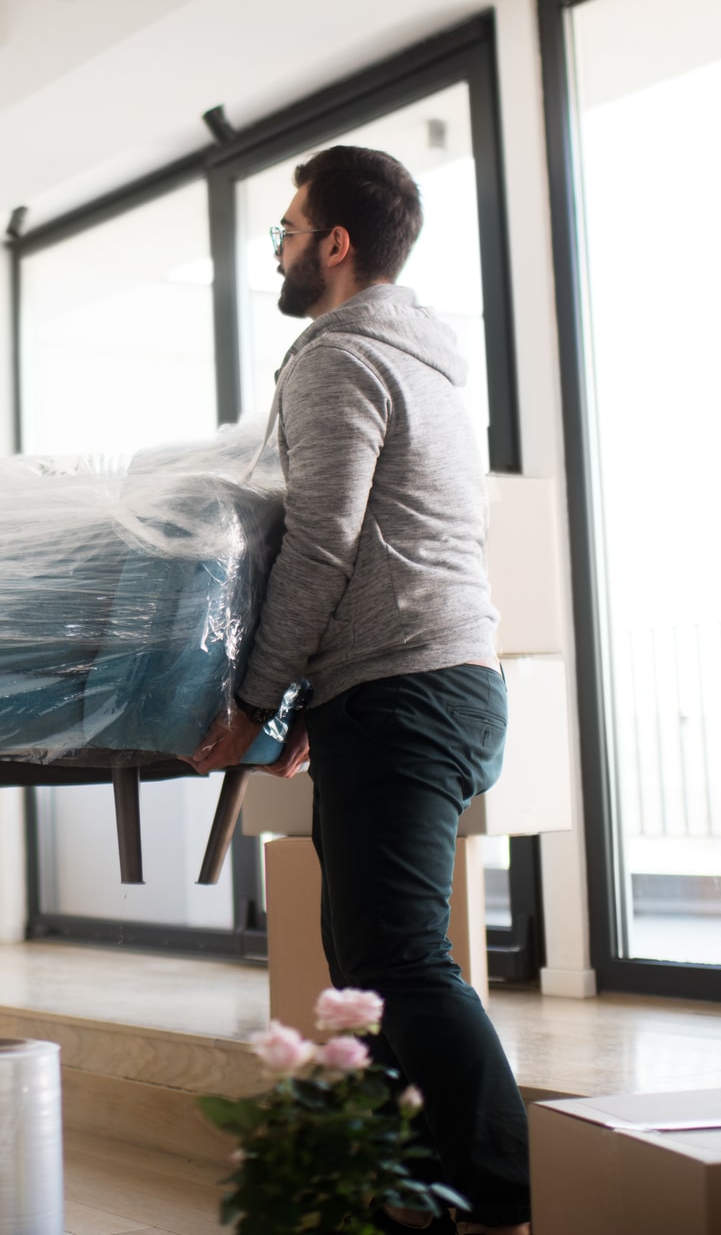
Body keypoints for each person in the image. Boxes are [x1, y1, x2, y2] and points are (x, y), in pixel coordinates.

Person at [188, 147, 529, 1233]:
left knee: (394, 960)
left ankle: (510, 1194)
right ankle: (404, 1193)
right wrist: (306, 703)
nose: (279, 252)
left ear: (334, 244)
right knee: (369, 965)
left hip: (403, 691)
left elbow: (323, 548)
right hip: (439, 683)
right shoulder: (428, 359)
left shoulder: (336, 358)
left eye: (287, 230)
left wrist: (253, 697)